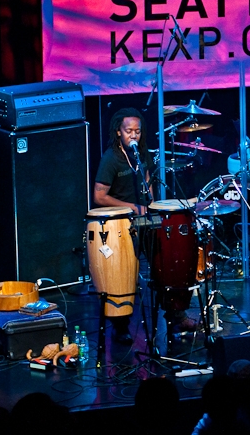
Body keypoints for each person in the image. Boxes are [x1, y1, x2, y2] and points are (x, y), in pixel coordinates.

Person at [93, 107, 152, 344]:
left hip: (143, 218)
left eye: (137, 131)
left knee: (162, 263)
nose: (134, 136)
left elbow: (147, 178)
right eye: (129, 131)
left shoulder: (141, 153)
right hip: (119, 222)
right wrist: (132, 207)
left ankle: (176, 317)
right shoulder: (111, 159)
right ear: (119, 131)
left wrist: (151, 205)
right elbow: (99, 196)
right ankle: (120, 326)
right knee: (123, 275)